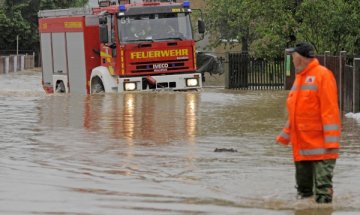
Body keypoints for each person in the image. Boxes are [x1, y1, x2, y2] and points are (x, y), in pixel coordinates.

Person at [276, 42, 341, 205]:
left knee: (323, 195)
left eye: (293, 56)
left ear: (300, 58)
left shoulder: (322, 75)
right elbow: (296, 112)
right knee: (303, 195)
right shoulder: (299, 79)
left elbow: (330, 110)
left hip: (322, 148)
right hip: (302, 147)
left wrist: (331, 143)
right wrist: (285, 136)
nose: (292, 59)